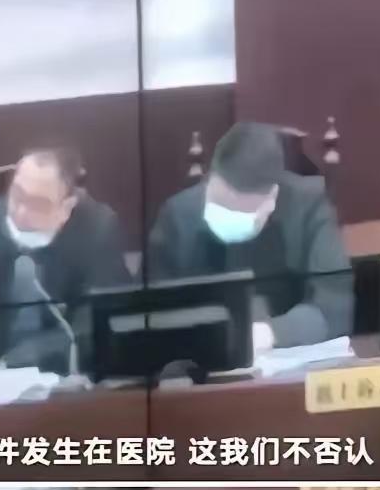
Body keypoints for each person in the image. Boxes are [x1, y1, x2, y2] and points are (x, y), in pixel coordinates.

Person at [0, 147, 132, 397]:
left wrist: (24, 358)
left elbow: (97, 330)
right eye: (17, 196)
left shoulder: (97, 231)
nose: (21, 213)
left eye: (38, 205)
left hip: (67, 386)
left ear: (66, 207)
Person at [147, 122, 354, 351]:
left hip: (285, 358)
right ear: (211, 179)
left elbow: (335, 306)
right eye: (220, 204)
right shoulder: (177, 216)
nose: (229, 216)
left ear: (272, 198)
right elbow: (151, 313)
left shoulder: (308, 206)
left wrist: (269, 334)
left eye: (243, 211)